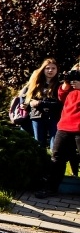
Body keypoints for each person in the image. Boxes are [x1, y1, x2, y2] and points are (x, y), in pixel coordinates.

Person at [35, 64, 80, 198]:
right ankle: (50, 188)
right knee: (57, 158)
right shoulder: (74, 79)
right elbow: (62, 97)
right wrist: (66, 85)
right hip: (65, 125)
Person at [26, 58, 61, 149]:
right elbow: (27, 96)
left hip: (54, 117)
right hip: (37, 116)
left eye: (53, 68)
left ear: (57, 70)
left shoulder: (59, 84)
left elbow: (59, 103)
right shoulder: (36, 83)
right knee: (38, 143)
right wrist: (29, 103)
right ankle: (41, 162)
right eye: (47, 68)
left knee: (55, 143)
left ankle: (53, 162)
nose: (50, 70)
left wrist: (40, 103)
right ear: (43, 69)